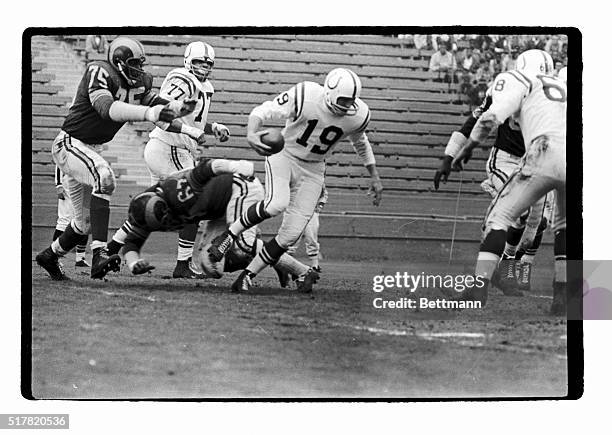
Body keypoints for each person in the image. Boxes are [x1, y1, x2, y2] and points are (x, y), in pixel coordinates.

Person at [206, 68, 383, 293]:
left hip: (314, 169)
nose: (348, 106)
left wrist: (374, 175)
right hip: (285, 155)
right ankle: (227, 236)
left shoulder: (359, 115)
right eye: (344, 100)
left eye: (352, 101)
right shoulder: (306, 94)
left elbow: (360, 141)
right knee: (276, 204)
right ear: (329, 93)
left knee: (290, 235)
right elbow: (266, 109)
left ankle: (247, 275)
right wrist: (252, 132)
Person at [35, 36, 196, 280]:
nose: (139, 69)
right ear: (119, 62)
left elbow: (160, 110)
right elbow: (108, 110)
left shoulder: (140, 82)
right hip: (69, 143)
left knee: (82, 224)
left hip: (89, 148)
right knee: (104, 177)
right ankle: (99, 253)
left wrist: (178, 110)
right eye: (133, 63)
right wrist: (150, 113)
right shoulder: (100, 71)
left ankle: (49, 256)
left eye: (140, 64)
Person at [451, 49, 567, 314]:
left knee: (499, 217)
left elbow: (491, 117)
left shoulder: (521, 79)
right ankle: (564, 296)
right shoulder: (563, 83)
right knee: (564, 226)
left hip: (543, 151)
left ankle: (479, 287)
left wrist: (469, 147)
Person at [103, 159, 312, 289]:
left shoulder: (176, 191)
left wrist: (234, 166)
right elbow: (131, 245)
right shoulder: (141, 212)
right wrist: (133, 264)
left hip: (240, 188)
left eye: (165, 215)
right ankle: (276, 262)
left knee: (241, 247)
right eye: (160, 222)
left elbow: (206, 168)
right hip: (218, 211)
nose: (167, 221)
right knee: (211, 266)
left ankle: (302, 271)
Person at [434, 82, 551, 294]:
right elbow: (473, 123)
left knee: (537, 223)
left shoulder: (552, 95)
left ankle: (500, 270)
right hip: (505, 161)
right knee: (520, 212)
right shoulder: (506, 91)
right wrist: (449, 156)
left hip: (535, 162)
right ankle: (502, 272)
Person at [142, 41, 230, 278]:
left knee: (150, 206)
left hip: (173, 150)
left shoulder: (205, 86)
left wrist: (214, 128)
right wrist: (193, 133)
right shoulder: (181, 78)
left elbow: (196, 123)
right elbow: (162, 114)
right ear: (188, 61)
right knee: (195, 203)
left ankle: (113, 249)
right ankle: (183, 266)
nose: (203, 67)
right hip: (170, 148)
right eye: (199, 62)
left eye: (207, 63)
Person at [286, 185, 328, 273]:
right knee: (293, 238)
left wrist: (319, 206)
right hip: (296, 211)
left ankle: (315, 265)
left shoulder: (317, 179)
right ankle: (287, 264)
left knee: (311, 237)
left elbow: (324, 193)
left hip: (311, 211)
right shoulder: (295, 177)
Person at [53, 165, 89, 268]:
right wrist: (59, 185)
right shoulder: (68, 148)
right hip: (68, 183)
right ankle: (53, 257)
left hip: (84, 183)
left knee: (85, 220)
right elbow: (59, 162)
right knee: (64, 220)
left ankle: (80, 258)